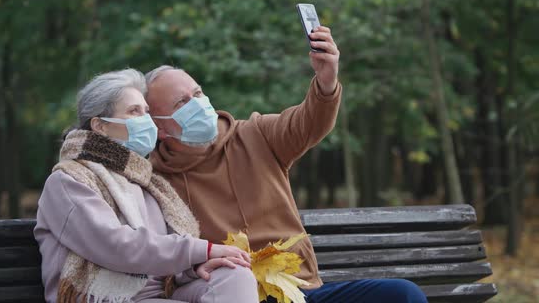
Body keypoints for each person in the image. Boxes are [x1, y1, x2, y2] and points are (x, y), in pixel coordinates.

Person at [144, 26, 428, 303]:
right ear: (159, 128)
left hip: (302, 291)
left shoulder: (255, 134)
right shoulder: (153, 180)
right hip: (234, 293)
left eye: (197, 93)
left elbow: (307, 123)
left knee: (403, 294)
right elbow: (157, 260)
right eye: (182, 102)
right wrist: (193, 269)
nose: (197, 104)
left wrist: (326, 82)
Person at [33, 69, 258, 303]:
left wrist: (194, 267)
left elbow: (160, 265)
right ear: (100, 126)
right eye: (134, 111)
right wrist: (204, 250)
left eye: (146, 111)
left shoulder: (149, 183)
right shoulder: (69, 181)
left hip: (161, 294)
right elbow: (116, 246)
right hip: (107, 298)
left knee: (235, 275)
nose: (146, 120)